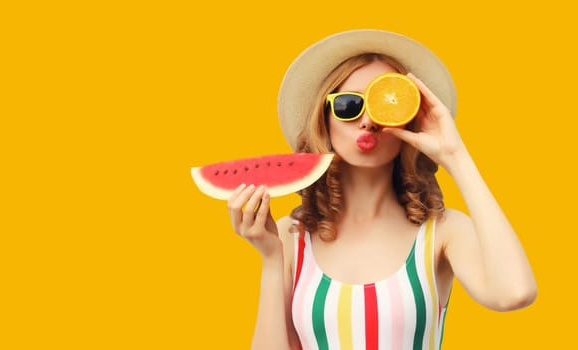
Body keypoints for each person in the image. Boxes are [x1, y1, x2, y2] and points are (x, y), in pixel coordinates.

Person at [226, 29, 537, 349]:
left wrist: (455, 156)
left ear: (411, 122)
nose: (368, 122)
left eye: (386, 105)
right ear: (325, 117)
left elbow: (514, 292)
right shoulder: (292, 236)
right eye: (349, 105)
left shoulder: (442, 232)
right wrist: (270, 257)